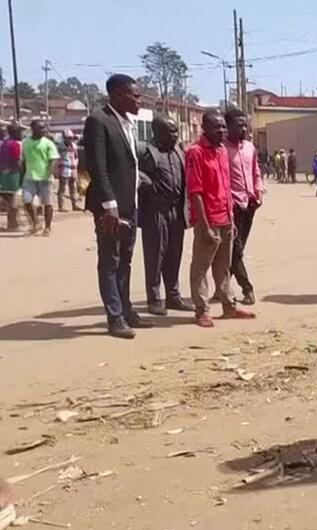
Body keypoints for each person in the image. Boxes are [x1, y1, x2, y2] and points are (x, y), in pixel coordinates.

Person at [84, 74, 154, 338]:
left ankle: (126, 311)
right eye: (134, 96)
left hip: (130, 204)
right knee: (110, 261)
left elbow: (130, 165)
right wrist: (109, 204)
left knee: (125, 260)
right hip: (110, 207)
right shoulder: (98, 121)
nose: (139, 100)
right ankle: (114, 318)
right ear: (116, 95)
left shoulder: (127, 123)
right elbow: (97, 167)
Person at [185, 110, 256, 327]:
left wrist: (232, 220)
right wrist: (204, 225)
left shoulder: (223, 151)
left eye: (223, 127)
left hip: (226, 218)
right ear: (204, 128)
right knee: (201, 267)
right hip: (208, 220)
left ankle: (229, 305)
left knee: (223, 266)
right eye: (217, 127)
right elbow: (195, 192)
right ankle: (202, 310)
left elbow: (226, 188)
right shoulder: (195, 153)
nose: (222, 130)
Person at [138, 116, 193, 317]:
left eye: (176, 131)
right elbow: (133, 172)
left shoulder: (179, 151)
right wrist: (148, 185)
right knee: (155, 255)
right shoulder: (146, 152)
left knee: (174, 253)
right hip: (155, 210)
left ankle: (173, 296)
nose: (175, 135)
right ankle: (154, 299)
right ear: (158, 133)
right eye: (171, 132)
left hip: (176, 210)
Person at [224, 109, 264, 306]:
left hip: (249, 204)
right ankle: (247, 289)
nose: (244, 129)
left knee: (237, 249)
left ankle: (223, 287)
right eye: (239, 125)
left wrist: (259, 192)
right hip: (232, 206)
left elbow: (256, 171)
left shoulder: (249, 148)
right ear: (228, 126)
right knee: (235, 249)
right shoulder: (221, 150)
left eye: (245, 125)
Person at [20, 120, 60, 236]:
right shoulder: (25, 143)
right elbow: (23, 161)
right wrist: (20, 178)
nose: (44, 130)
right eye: (41, 128)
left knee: (47, 203)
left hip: (45, 178)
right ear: (33, 129)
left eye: (44, 128)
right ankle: (35, 223)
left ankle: (47, 227)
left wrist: (49, 174)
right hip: (29, 177)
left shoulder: (48, 143)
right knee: (27, 201)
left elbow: (53, 160)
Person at [0, 124, 23, 231]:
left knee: (9, 198)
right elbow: (17, 161)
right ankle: (13, 223)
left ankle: (12, 222)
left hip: (4, 173)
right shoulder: (14, 144)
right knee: (13, 199)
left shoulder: (4, 143)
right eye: (19, 131)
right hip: (13, 174)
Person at [56, 129, 81, 212]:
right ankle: (61, 206)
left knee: (73, 188)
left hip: (73, 169)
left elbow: (76, 156)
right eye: (68, 138)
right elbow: (56, 157)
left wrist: (76, 164)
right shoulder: (59, 146)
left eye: (71, 138)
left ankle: (75, 205)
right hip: (63, 169)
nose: (70, 139)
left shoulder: (74, 146)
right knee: (62, 188)